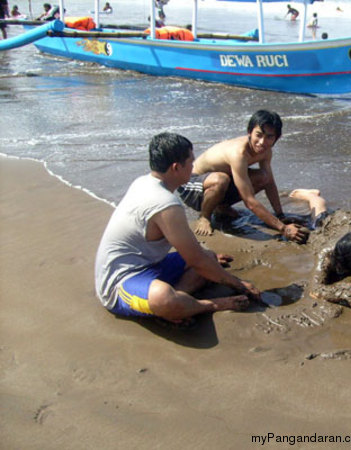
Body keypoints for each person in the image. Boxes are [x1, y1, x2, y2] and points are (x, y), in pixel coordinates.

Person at [95, 132, 260, 326]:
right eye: (190, 161)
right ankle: (207, 305)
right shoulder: (165, 204)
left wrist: (208, 262)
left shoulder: (143, 181)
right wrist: (239, 284)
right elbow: (195, 260)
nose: (194, 166)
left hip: (151, 265)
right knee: (165, 298)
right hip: (120, 283)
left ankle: (181, 301)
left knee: (209, 258)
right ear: (176, 167)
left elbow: (195, 254)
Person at [176, 110, 309, 244]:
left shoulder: (266, 151)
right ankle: (205, 216)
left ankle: (220, 206)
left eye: (269, 137)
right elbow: (249, 201)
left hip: (214, 183)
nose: (262, 142)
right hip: (190, 184)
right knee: (221, 180)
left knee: (263, 177)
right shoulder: (238, 153)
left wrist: (280, 216)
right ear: (249, 132)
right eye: (258, 135)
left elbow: (270, 183)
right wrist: (283, 228)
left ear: (277, 138)